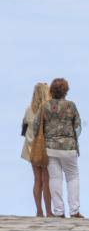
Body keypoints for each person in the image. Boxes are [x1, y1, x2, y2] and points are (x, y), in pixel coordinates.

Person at [31, 78, 82, 219]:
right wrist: (72, 138)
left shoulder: (44, 106)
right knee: (72, 177)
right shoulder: (71, 106)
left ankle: (59, 211)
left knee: (55, 178)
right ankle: (74, 210)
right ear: (66, 91)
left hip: (50, 147)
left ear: (51, 91)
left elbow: (35, 127)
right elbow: (78, 126)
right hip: (69, 147)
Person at [21, 82, 53, 217]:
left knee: (37, 180)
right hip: (45, 148)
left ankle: (39, 211)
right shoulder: (49, 108)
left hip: (31, 148)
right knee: (47, 180)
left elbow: (23, 129)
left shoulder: (29, 109)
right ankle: (49, 211)